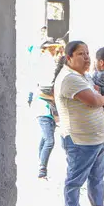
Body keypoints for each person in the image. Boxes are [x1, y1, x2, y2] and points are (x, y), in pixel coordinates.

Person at [52, 41, 104, 206]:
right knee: (75, 180)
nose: (87, 57)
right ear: (69, 58)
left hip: (96, 139)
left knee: (97, 178)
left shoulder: (83, 77)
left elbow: (97, 95)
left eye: (88, 53)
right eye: (81, 54)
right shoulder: (69, 78)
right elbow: (94, 101)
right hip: (80, 140)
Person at [33, 40, 64, 179]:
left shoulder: (53, 65)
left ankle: (40, 165)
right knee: (49, 140)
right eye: (50, 48)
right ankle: (42, 170)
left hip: (50, 108)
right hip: (43, 108)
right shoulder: (44, 66)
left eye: (54, 48)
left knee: (45, 139)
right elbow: (45, 89)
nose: (53, 50)